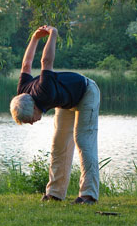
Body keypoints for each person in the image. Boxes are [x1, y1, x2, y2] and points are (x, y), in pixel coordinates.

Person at [10, 25, 100, 204]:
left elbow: (46, 62)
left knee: (83, 140)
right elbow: (26, 64)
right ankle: (55, 193)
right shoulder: (23, 92)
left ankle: (89, 195)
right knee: (59, 144)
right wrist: (34, 39)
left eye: (30, 120)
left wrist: (53, 34)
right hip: (66, 101)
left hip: (87, 92)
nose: (33, 123)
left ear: (34, 107)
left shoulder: (44, 91)